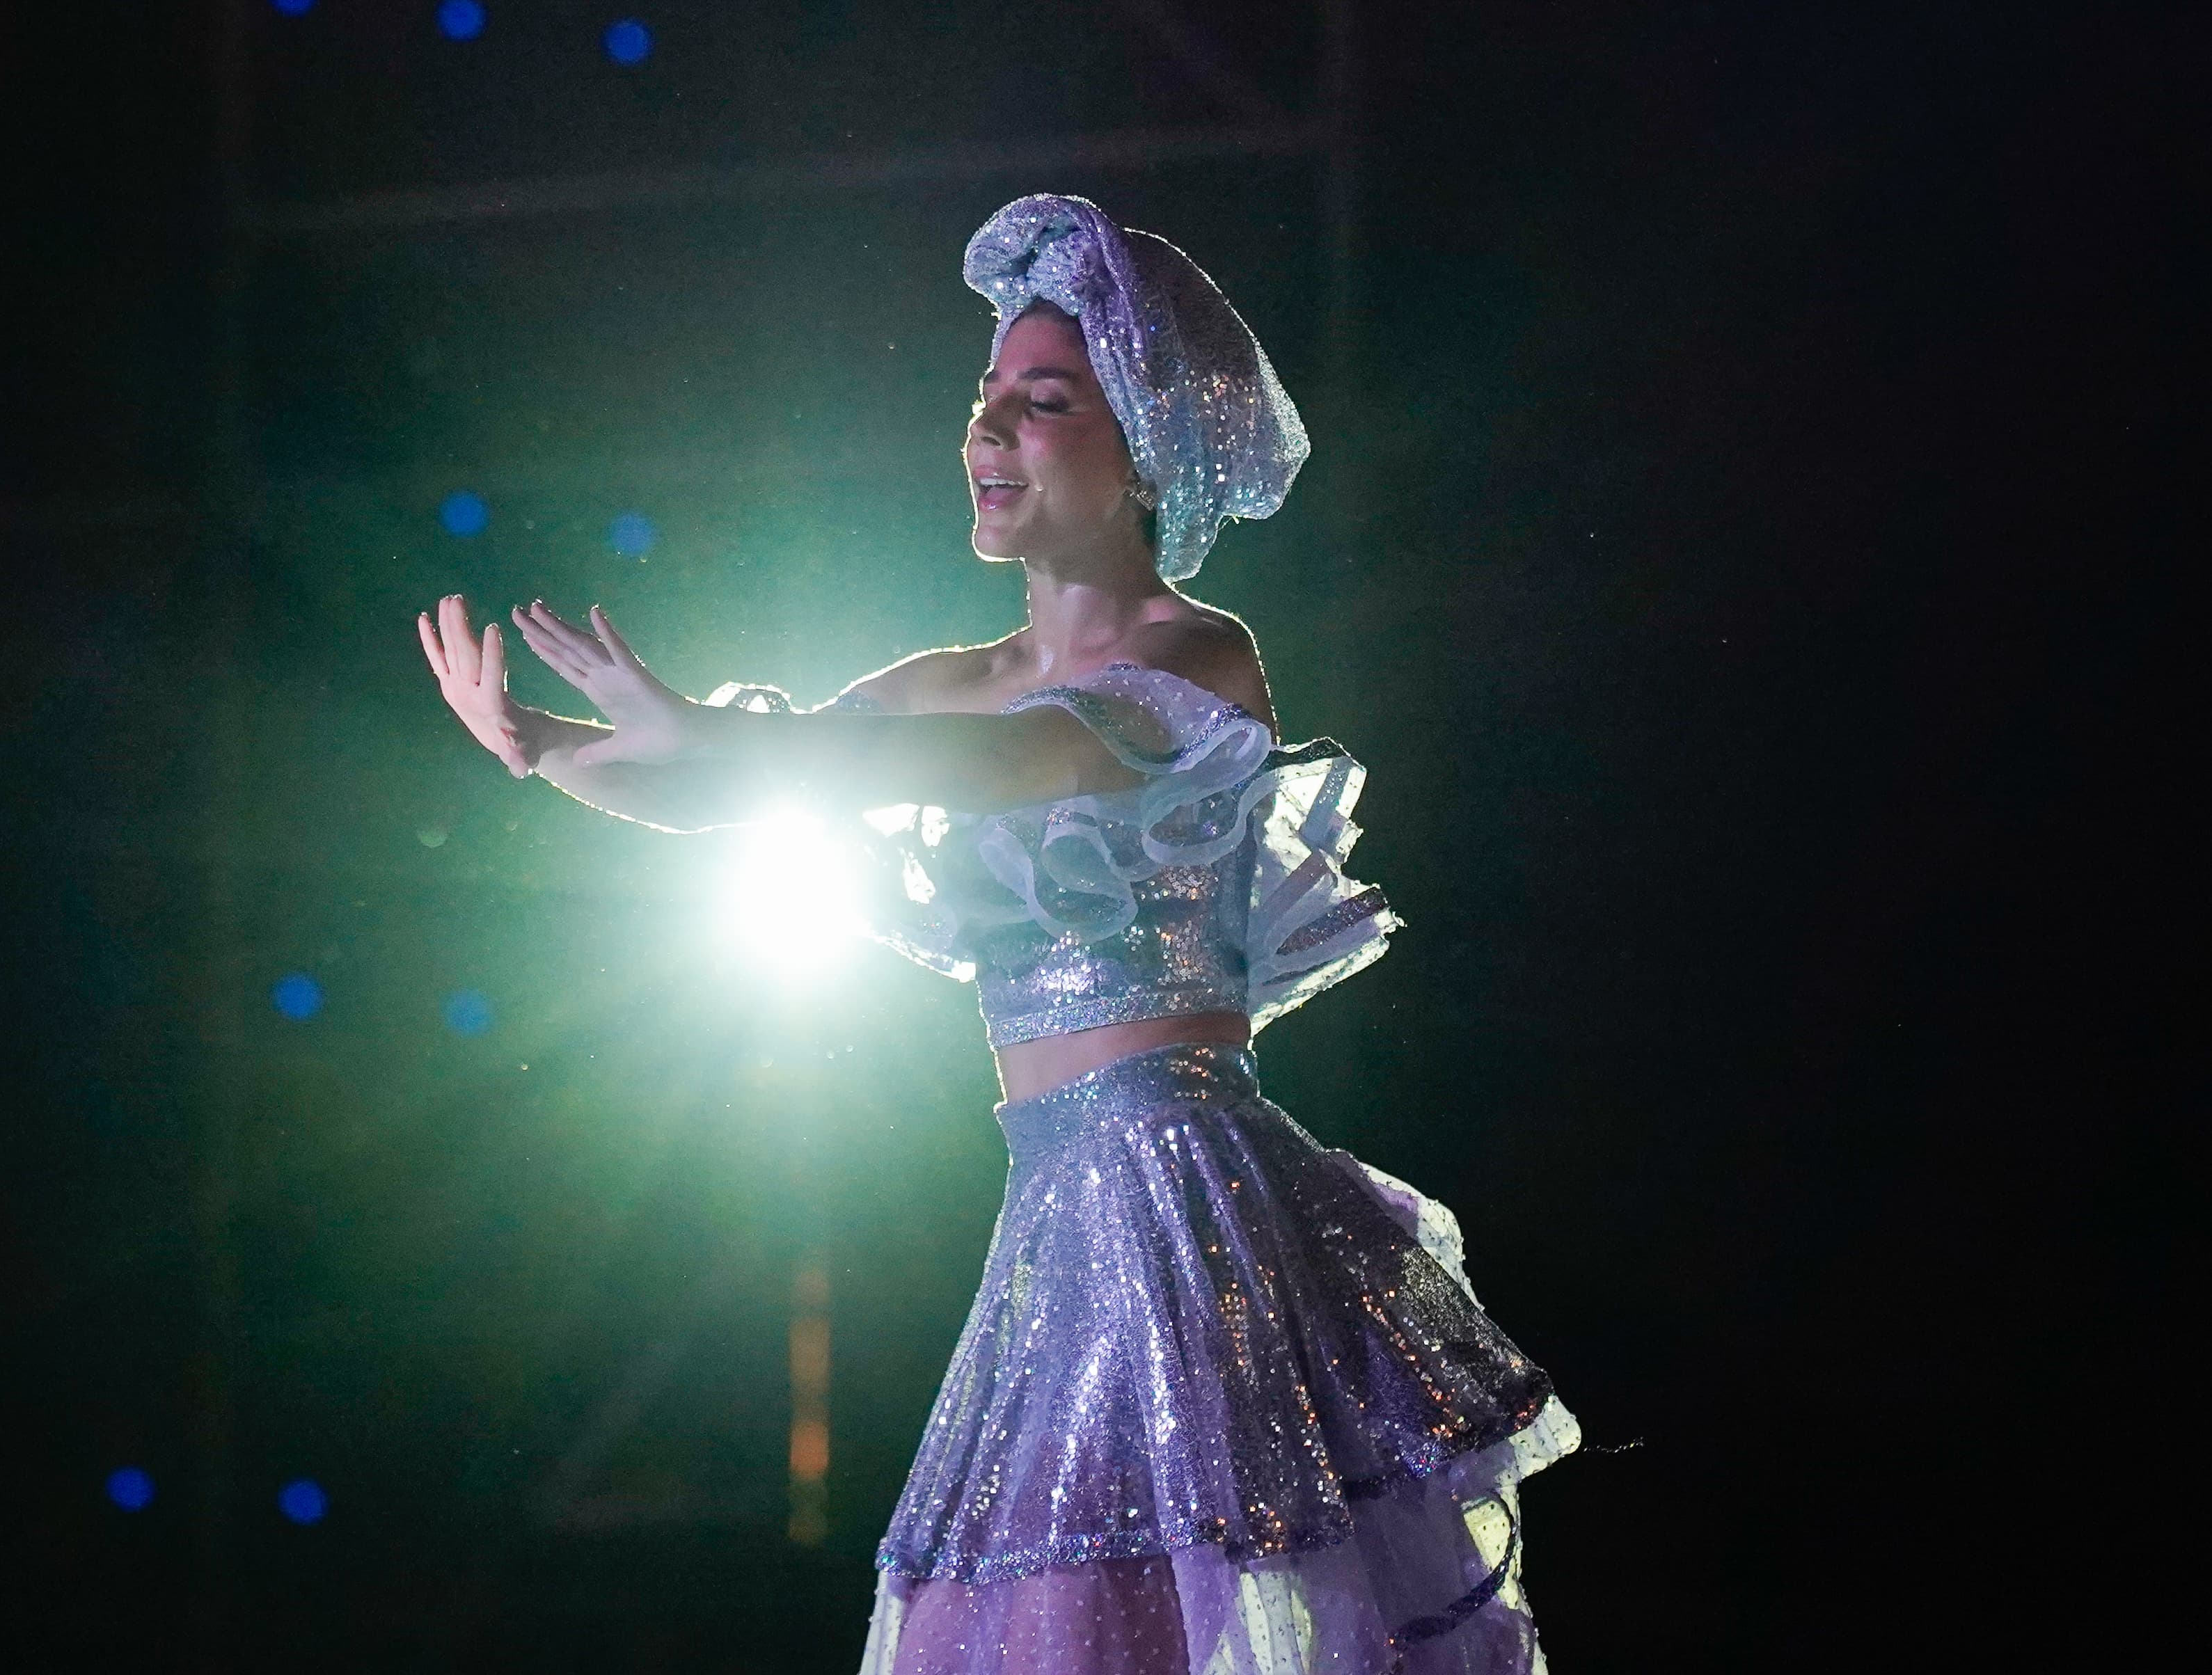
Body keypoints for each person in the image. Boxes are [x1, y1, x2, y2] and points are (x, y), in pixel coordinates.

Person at [420, 194, 1579, 1674]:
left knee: (1199, 1603)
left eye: (1044, 402)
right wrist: (541, 749)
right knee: (1027, 1614)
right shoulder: (943, 679)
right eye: (986, 403)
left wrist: (717, 731)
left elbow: (1014, 762)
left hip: (1188, 1203)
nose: (992, 431)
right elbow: (730, 791)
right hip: (1054, 1212)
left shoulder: (1193, 653)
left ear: (1145, 443)